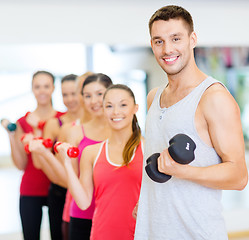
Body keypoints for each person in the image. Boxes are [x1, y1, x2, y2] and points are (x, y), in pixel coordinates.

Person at [134, 5, 248, 240]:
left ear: (192, 39)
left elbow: (238, 176)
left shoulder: (213, 97)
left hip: (196, 233)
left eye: (176, 38)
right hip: (152, 231)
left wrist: (183, 172)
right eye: (158, 41)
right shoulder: (153, 97)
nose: (167, 49)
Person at [30, 73, 113, 240]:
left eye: (99, 94)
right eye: (87, 95)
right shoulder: (72, 130)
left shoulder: (123, 127)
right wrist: (46, 154)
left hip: (114, 210)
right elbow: (65, 179)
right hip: (82, 211)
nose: (94, 100)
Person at [57, 84, 144, 240]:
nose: (116, 111)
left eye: (123, 105)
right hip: (102, 234)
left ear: (135, 108)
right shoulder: (91, 152)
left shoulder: (149, 148)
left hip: (140, 234)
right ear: (103, 110)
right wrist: (67, 164)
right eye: (109, 106)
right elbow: (83, 202)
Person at [1, 70, 64, 240]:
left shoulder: (62, 119)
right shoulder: (22, 121)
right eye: (37, 86)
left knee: (59, 236)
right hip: (31, 188)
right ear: (32, 89)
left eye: (46, 86)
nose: (42, 90)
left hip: (58, 188)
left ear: (53, 88)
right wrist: (11, 137)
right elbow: (21, 164)